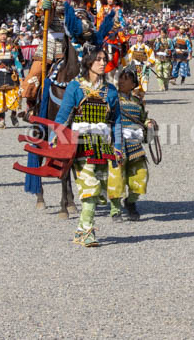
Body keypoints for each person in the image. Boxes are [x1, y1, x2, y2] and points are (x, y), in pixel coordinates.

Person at [54, 48, 123, 247]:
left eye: (105, 60)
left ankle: (83, 229)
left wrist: (118, 147)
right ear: (89, 62)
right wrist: (56, 140)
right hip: (80, 145)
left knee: (100, 192)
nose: (103, 63)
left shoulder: (110, 90)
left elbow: (117, 120)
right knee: (90, 188)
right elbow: (62, 117)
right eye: (99, 60)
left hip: (103, 146)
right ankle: (85, 231)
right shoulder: (75, 87)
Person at [108, 68, 150, 222]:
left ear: (133, 84)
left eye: (125, 79)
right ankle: (115, 209)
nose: (121, 81)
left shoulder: (138, 101)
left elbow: (143, 119)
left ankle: (131, 202)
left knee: (140, 176)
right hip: (116, 144)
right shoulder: (112, 99)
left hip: (134, 144)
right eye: (120, 78)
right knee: (116, 178)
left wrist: (149, 123)